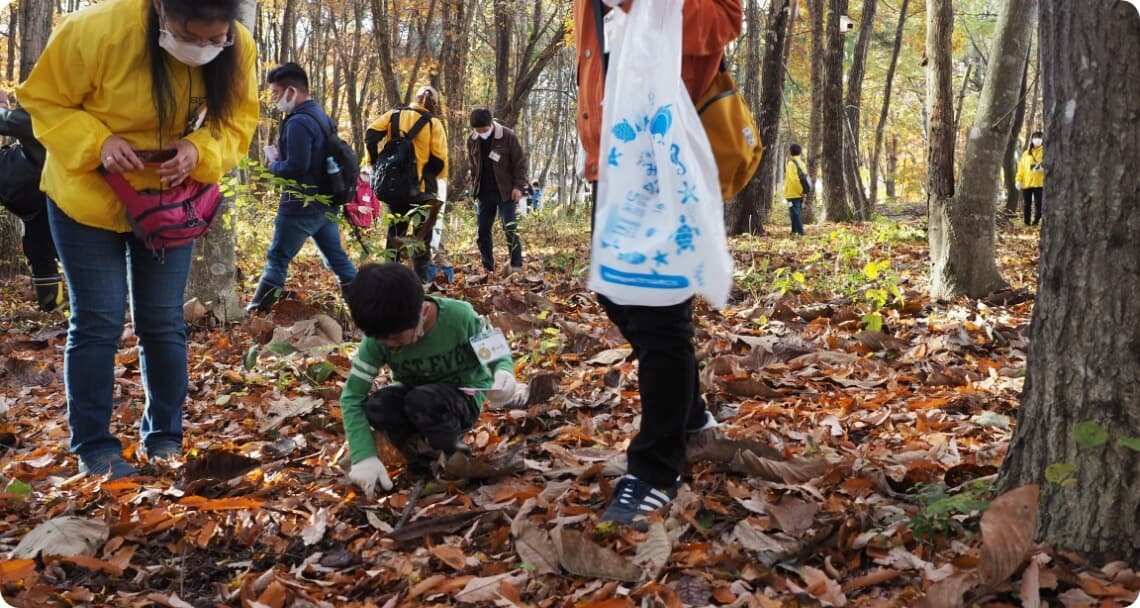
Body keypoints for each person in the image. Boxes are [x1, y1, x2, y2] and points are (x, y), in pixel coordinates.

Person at [17, 0, 259, 478]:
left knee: (163, 322)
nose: (205, 49)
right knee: (98, 321)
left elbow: (236, 123)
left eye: (216, 40)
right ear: (161, 10)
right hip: (87, 197)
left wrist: (198, 149)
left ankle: (165, 438)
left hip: (169, 205)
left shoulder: (238, 46)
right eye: (193, 36)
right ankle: (94, 448)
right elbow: (44, 99)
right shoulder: (96, 28)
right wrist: (98, 142)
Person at [575, 0, 741, 528]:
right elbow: (592, 48)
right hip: (614, 153)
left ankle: (655, 469)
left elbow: (723, 23)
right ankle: (689, 415)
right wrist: (592, 143)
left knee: (660, 317)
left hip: (664, 150)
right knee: (613, 290)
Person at [339, 262, 526, 496]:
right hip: (416, 399)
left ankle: (453, 457)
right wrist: (363, 456)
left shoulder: (460, 317)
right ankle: (419, 456)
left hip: (460, 399)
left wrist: (504, 373)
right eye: (381, 341)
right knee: (379, 405)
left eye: (396, 339)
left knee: (422, 400)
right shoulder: (378, 340)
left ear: (422, 313)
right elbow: (352, 397)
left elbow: (496, 353)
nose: (389, 346)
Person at [247, 63, 357, 312]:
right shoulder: (319, 114)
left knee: (277, 258)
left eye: (276, 93)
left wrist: (273, 165)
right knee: (338, 260)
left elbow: (296, 166)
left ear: (291, 91)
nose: (275, 99)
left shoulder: (298, 122)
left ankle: (257, 313)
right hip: (326, 204)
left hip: (300, 206)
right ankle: (365, 307)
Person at [365, 86, 448, 282]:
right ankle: (420, 285)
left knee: (394, 236)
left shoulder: (394, 115)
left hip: (395, 189)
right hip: (423, 191)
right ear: (434, 104)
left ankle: (388, 281)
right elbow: (439, 161)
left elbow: (370, 134)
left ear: (415, 98)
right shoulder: (434, 124)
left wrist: (374, 161)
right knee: (421, 241)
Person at [0, 90, 63, 312]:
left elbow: (6, 121)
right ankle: (53, 311)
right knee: (40, 250)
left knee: (43, 251)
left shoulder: (43, 112)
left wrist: (2, 107)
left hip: (37, 191)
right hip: (50, 197)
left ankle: (54, 310)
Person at [466, 108, 527, 274]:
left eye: (484, 130)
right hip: (484, 193)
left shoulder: (507, 136)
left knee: (509, 227)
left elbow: (520, 163)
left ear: (491, 124)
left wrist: (518, 186)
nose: (481, 133)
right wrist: (473, 185)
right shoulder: (472, 140)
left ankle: (516, 265)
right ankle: (488, 267)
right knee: (483, 231)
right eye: (477, 130)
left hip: (506, 191)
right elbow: (473, 165)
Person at [1015, 131, 1045, 226]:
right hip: (1027, 183)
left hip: (1039, 183)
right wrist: (1018, 180)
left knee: (1039, 204)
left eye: (1039, 137)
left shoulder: (1046, 151)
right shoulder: (1026, 154)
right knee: (1027, 204)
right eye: (1035, 137)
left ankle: (1036, 221)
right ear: (1032, 139)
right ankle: (1026, 223)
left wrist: (1043, 168)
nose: (1037, 139)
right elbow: (1021, 168)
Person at [784, 143, 810, 236]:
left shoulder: (791, 164)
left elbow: (794, 180)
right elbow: (805, 179)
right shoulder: (802, 163)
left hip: (793, 194)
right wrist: (804, 192)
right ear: (800, 152)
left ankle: (800, 232)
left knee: (794, 213)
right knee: (795, 212)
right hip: (800, 193)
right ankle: (794, 231)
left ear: (790, 152)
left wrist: (800, 192)